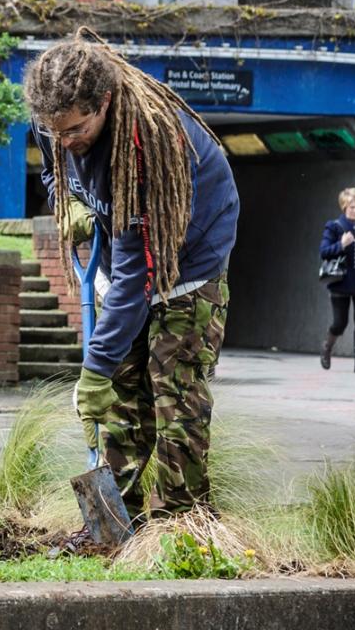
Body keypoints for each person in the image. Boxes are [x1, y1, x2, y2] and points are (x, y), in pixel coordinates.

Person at [24, 29, 240, 520]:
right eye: (54, 131)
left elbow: (137, 271)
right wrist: (67, 196)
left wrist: (94, 367)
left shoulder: (148, 145)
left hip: (186, 263)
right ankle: (113, 521)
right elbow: (55, 165)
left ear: (104, 102)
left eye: (76, 130)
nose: (65, 141)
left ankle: (178, 527)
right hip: (124, 255)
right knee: (123, 400)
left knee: (175, 399)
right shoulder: (55, 113)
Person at [318, 187, 355, 374]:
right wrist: (341, 244)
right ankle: (327, 346)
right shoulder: (334, 227)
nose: (354, 210)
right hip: (340, 282)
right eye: (351, 206)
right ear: (344, 207)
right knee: (340, 323)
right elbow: (324, 252)